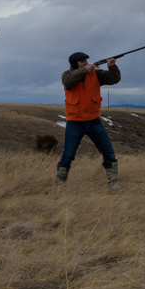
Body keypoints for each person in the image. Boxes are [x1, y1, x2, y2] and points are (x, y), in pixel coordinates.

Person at [57, 51, 121, 188]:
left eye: (86, 61)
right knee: (68, 155)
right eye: (82, 62)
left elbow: (114, 79)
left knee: (109, 152)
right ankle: (60, 185)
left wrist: (112, 67)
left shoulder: (95, 74)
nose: (86, 63)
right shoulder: (67, 75)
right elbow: (68, 82)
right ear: (75, 64)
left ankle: (113, 183)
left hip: (94, 121)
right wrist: (85, 70)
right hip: (74, 122)